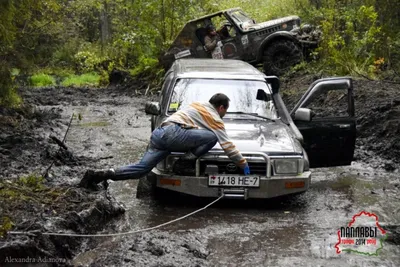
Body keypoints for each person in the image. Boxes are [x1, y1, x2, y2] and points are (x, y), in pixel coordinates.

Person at [79, 93, 250, 188]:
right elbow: (227, 146)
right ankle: (185, 162)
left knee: (141, 170)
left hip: (160, 134)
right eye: (225, 111)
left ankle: (99, 174)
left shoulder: (197, 105)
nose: (224, 115)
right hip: (173, 134)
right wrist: (243, 164)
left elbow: (190, 125)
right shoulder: (215, 117)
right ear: (221, 108)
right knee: (213, 136)